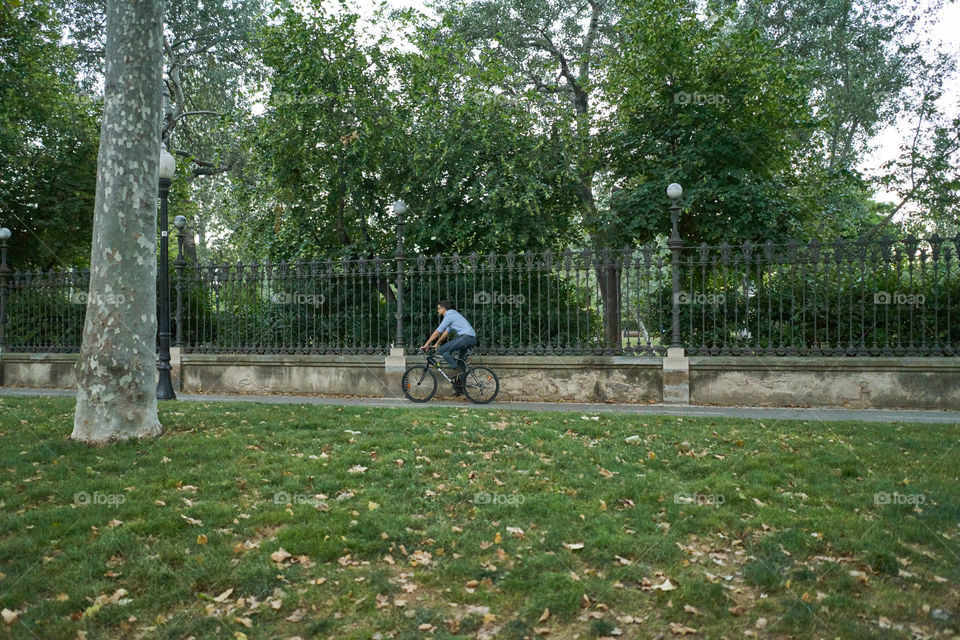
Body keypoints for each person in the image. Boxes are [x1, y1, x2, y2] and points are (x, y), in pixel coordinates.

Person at [420, 300, 477, 393]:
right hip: (471, 338)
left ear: (443, 308)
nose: (437, 310)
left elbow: (438, 331)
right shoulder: (454, 315)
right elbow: (445, 332)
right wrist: (437, 343)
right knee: (461, 363)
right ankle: (460, 390)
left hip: (466, 338)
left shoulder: (449, 316)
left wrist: (426, 344)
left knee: (443, 350)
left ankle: (457, 370)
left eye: (438, 308)